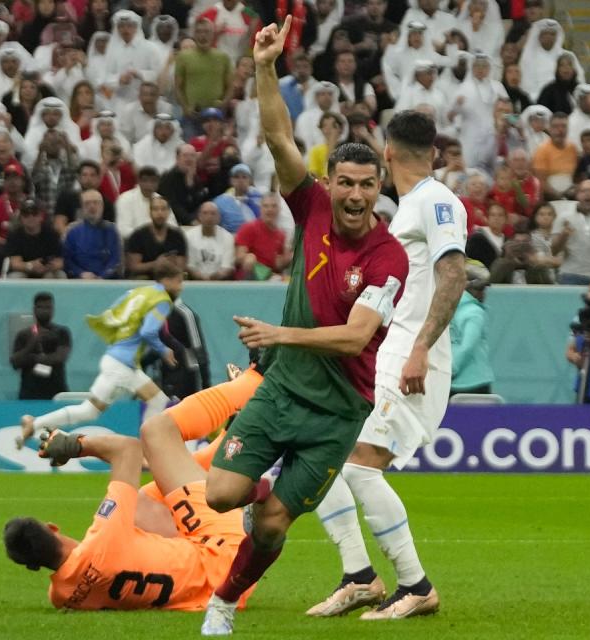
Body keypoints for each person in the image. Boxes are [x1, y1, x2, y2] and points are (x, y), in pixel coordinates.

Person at [199, 19, 410, 635]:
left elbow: (354, 336)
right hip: (285, 388)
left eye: (366, 186)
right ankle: (261, 484)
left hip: (338, 409)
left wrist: (278, 334)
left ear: (378, 190)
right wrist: (265, 65)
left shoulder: (387, 257)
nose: (354, 195)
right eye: (345, 182)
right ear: (331, 182)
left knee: (269, 527)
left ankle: (224, 604)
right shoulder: (310, 203)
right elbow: (276, 135)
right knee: (220, 496)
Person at [306, 108, 467, 621]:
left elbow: (455, 274)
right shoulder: (407, 208)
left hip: (413, 356)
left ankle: (415, 586)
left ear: (388, 152)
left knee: (355, 464)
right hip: (388, 351)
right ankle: (359, 577)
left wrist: (419, 347)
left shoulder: (437, 201)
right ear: (434, 152)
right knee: (322, 455)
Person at [4, 364, 268, 610]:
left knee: (147, 500)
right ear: (52, 527)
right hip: (227, 556)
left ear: (32, 566)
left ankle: (235, 430)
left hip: (217, 590)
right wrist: (76, 445)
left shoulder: (62, 596)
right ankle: (255, 383)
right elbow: (128, 451)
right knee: (157, 432)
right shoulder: (106, 536)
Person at [16, 263, 184, 447]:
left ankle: (35, 424)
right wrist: (164, 350)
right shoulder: (162, 300)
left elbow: (115, 311)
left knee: (90, 411)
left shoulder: (141, 292)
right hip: (122, 365)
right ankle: (146, 451)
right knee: (156, 400)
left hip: (117, 360)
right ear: (166, 280)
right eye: (178, 281)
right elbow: (148, 332)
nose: (181, 286)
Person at [10, 293, 71, 400]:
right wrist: (32, 343)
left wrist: (32, 358)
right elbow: (15, 362)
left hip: (57, 393)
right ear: (34, 309)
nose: (45, 311)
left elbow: (60, 357)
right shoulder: (24, 334)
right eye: (41, 307)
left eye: (48, 307)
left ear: (53, 309)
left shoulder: (62, 332)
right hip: (29, 394)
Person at [449, 262, 493, 396]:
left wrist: (448, 371)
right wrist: (451, 370)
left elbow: (466, 345)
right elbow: (467, 346)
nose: (483, 293)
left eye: (484, 289)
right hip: (473, 384)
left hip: (457, 383)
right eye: (479, 289)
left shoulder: (450, 309)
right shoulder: (474, 313)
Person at [63, 189, 123, 279]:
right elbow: (67, 261)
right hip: (79, 280)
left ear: (102, 206)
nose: (92, 206)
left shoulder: (112, 230)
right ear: (82, 208)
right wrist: (81, 273)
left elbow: (115, 260)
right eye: (87, 203)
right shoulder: (72, 231)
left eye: (96, 203)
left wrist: (102, 276)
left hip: (108, 281)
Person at [0, 200, 65, 279]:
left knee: (59, 275)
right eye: (26, 214)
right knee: (15, 277)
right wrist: (30, 266)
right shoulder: (14, 235)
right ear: (21, 218)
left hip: (48, 270)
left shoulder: (51, 234)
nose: (30, 217)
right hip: (24, 271)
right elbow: (15, 263)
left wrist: (49, 267)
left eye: (34, 214)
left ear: (41, 216)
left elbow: (60, 262)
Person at [125, 195, 188, 278]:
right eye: (156, 209)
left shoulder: (177, 236)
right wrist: (156, 264)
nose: (160, 213)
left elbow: (181, 266)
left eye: (163, 209)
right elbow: (133, 267)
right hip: (144, 278)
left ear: (169, 212)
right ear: (150, 212)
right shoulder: (138, 236)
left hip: (169, 277)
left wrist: (167, 266)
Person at [234, 193, 290, 279]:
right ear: (260, 209)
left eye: (274, 206)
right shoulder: (249, 228)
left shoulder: (281, 234)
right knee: (249, 259)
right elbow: (239, 257)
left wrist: (289, 258)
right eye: (266, 206)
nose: (270, 209)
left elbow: (277, 264)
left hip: (271, 276)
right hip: (251, 275)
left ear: (279, 210)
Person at [116, 166, 178, 239]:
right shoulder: (125, 199)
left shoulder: (161, 200)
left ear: (158, 183)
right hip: (134, 244)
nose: (149, 185)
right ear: (138, 181)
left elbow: (173, 226)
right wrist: (147, 238)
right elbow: (123, 229)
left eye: (153, 181)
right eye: (145, 181)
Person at [531, 112, 579, 201]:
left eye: (563, 126)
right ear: (549, 128)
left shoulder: (573, 148)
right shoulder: (542, 150)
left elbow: (576, 176)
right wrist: (560, 196)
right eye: (556, 126)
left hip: (570, 195)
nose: (560, 130)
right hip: (550, 198)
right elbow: (541, 182)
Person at [186, 201, 236, 281]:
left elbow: (227, 267)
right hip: (195, 281)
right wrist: (202, 278)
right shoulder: (189, 236)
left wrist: (213, 278)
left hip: (220, 282)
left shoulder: (227, 237)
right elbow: (190, 266)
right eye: (205, 213)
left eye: (213, 213)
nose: (209, 217)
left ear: (219, 217)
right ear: (199, 216)